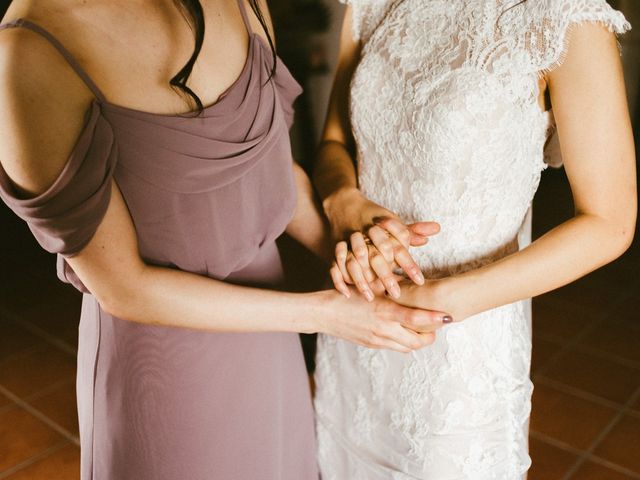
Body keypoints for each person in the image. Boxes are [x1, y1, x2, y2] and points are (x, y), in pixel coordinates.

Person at [0, 1, 448, 478]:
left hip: (272, 340)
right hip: (165, 372)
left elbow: (268, 177)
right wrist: (326, 314)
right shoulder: (32, 48)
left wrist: (364, 260)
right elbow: (123, 288)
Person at [313, 0, 637, 478]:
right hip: (358, 316)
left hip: (460, 347)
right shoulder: (371, 5)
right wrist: (345, 203)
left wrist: (439, 301)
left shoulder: (566, 20)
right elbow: (335, 144)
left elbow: (610, 223)